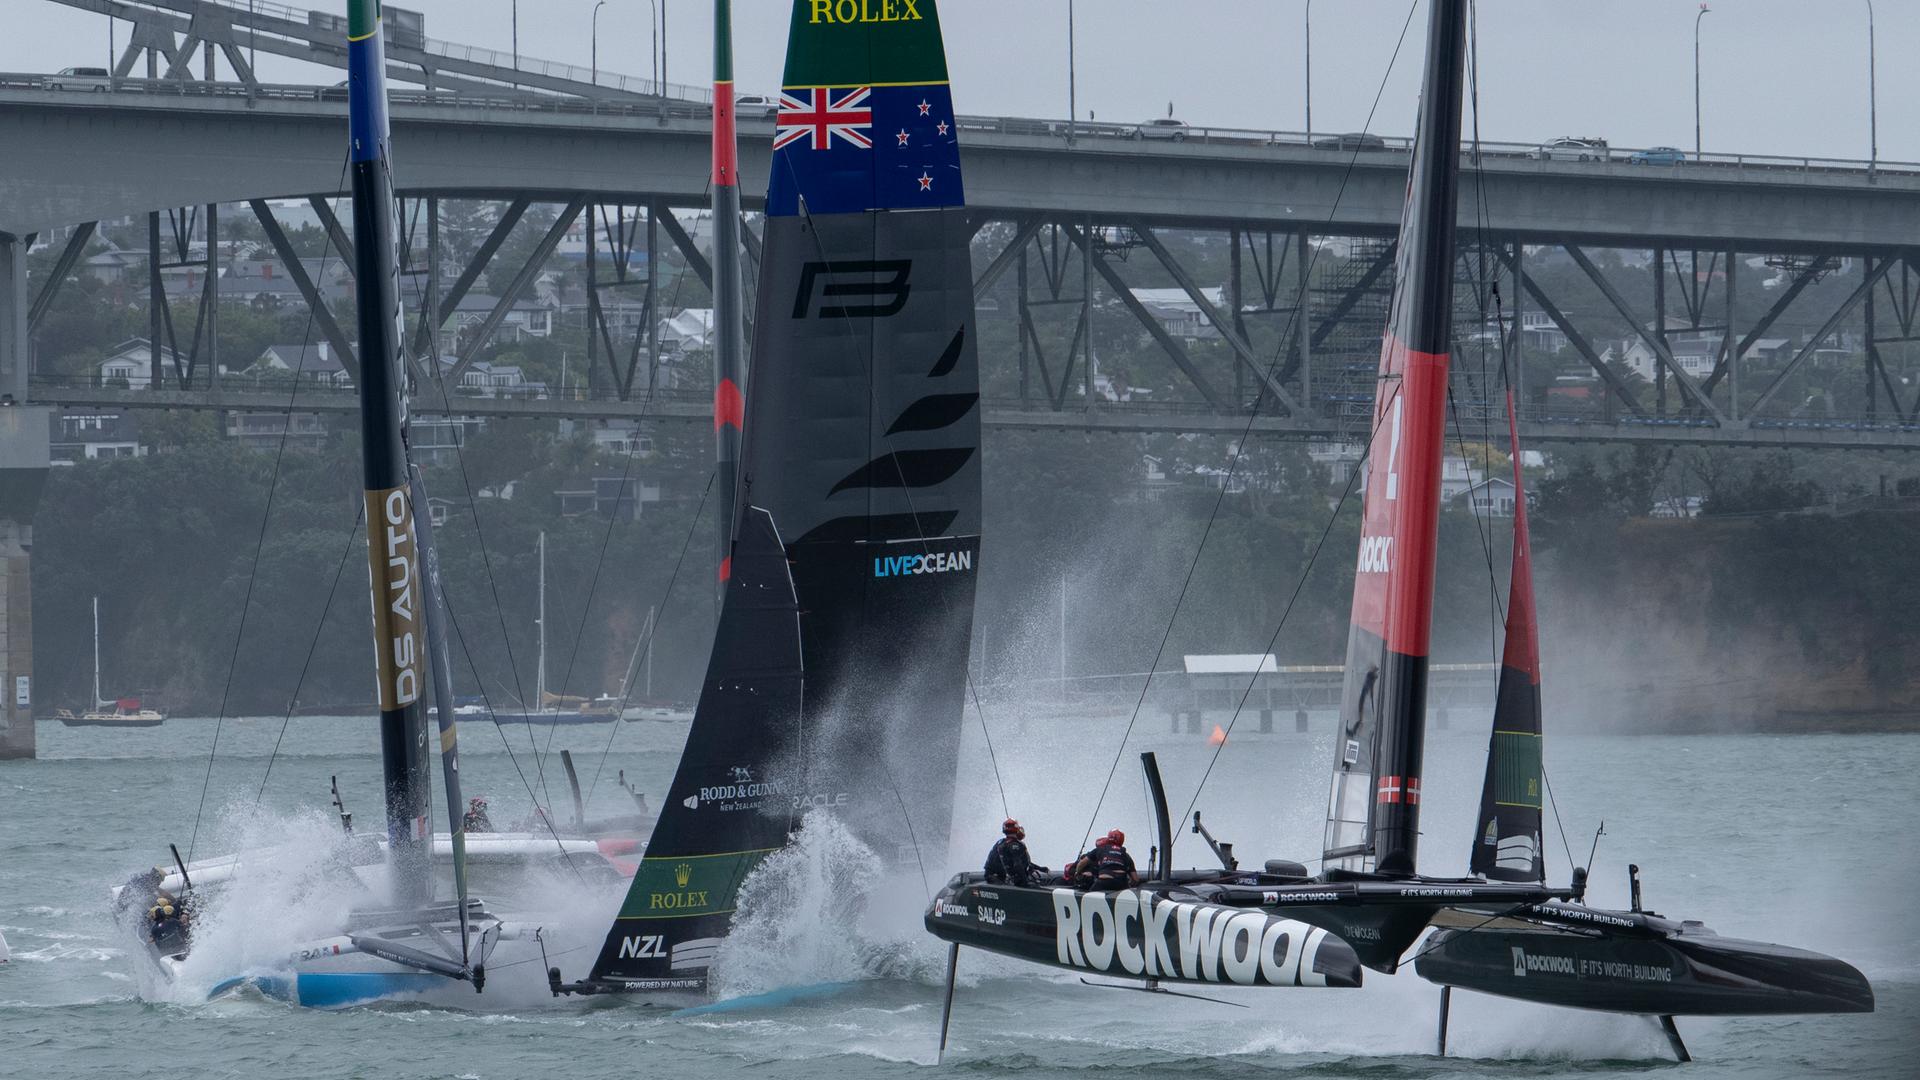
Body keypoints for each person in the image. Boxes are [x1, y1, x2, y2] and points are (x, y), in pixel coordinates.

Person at [984, 818, 1047, 887]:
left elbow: (1020, 861)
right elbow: (1017, 864)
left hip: (994, 874)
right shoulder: (1014, 845)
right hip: (996, 877)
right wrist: (1025, 881)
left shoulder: (1003, 842)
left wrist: (1039, 868)